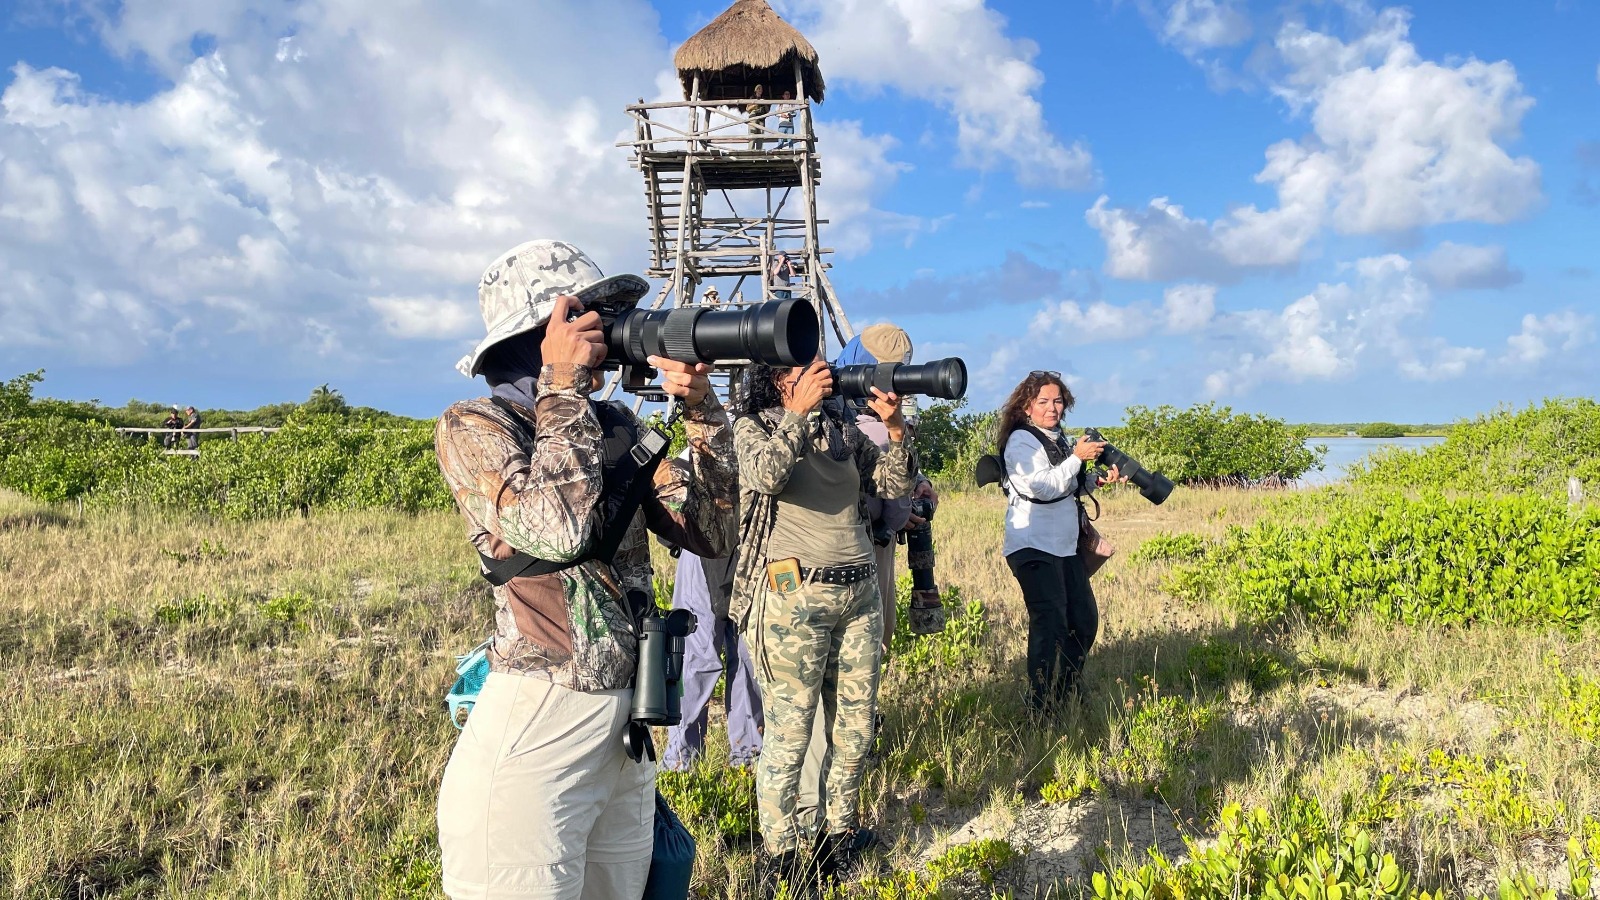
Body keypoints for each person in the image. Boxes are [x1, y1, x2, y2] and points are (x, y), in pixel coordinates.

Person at [433, 239, 738, 900]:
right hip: (539, 725)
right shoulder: (474, 426)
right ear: (534, 339)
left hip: (622, 732)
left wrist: (702, 410)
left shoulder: (613, 425)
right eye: (585, 318)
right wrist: (562, 388)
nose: (603, 335)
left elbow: (712, 530)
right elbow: (557, 529)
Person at [730, 357, 913, 892]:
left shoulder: (841, 430)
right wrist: (796, 414)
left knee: (855, 731)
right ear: (778, 379)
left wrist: (896, 430)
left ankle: (838, 838)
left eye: (821, 369)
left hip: (857, 590)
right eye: (802, 370)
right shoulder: (755, 426)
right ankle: (781, 854)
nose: (819, 377)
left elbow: (890, 482)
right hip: (793, 596)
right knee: (790, 732)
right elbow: (765, 476)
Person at [794, 324, 937, 850]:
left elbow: (892, 488)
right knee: (814, 696)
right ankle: (804, 831)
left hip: (866, 558)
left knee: (855, 683)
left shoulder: (869, 419)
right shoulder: (816, 417)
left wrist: (903, 459)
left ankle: (836, 819)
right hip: (821, 567)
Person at [996, 370, 1126, 715]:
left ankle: (1067, 690)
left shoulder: (1059, 439)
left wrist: (1097, 480)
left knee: (1084, 620)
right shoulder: (1021, 441)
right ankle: (1039, 705)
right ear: (1026, 406)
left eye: (1057, 401)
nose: (1052, 408)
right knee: (1049, 624)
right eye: (1043, 402)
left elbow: (1067, 487)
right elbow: (1040, 487)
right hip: (1032, 545)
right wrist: (1077, 458)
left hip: (1064, 546)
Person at [661, 545, 764, 771]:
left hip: (751, 547)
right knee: (697, 663)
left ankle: (746, 763)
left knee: (748, 663)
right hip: (708, 544)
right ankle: (682, 764)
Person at [746, 84, 769, 150]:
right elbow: (747, 109)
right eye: (758, 89)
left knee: (761, 134)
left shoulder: (764, 99)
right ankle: (751, 150)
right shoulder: (752, 97)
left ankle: (759, 150)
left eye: (761, 89)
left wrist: (764, 103)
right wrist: (755, 105)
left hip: (761, 117)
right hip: (753, 116)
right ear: (755, 90)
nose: (760, 90)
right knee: (752, 132)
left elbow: (767, 111)